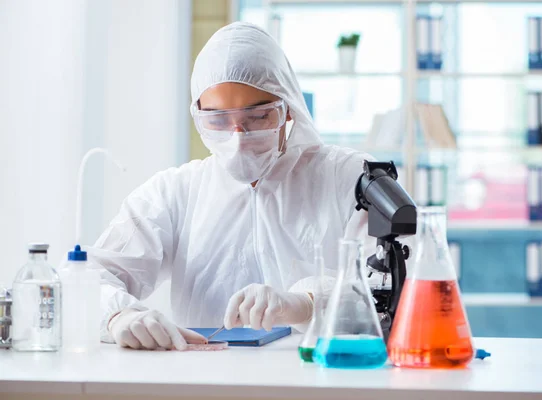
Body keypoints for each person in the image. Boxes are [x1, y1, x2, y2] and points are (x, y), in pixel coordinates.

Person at [87, 21, 374, 351]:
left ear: (288, 110)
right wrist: (116, 316)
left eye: (258, 117)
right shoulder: (175, 194)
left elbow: (391, 287)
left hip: (320, 380)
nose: (238, 137)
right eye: (218, 120)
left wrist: (307, 301)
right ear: (198, 115)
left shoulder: (347, 178)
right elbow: (91, 278)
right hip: (208, 379)